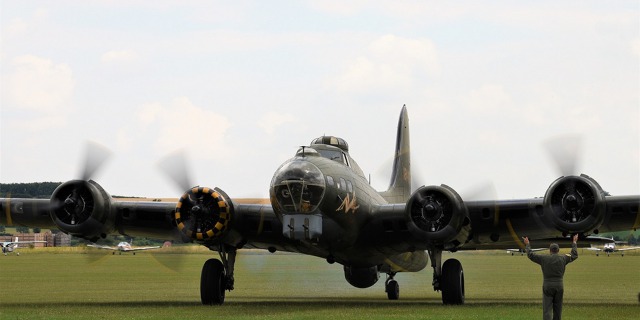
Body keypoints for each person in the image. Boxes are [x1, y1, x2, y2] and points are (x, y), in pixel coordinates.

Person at [523, 234, 578, 320]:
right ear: (558, 250)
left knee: (547, 309)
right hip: (559, 285)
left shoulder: (544, 258)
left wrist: (527, 244)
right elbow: (574, 255)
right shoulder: (563, 258)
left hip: (547, 285)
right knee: (558, 309)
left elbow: (531, 255)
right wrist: (574, 242)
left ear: (550, 250)